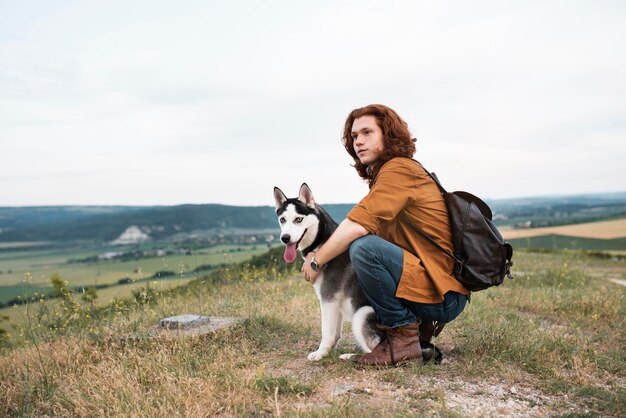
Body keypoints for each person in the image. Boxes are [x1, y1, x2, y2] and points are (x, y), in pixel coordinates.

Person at [302, 104, 469, 366]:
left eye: (367, 132)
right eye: (354, 136)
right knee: (362, 247)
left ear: (388, 134)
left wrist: (317, 260)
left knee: (364, 248)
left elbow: (356, 226)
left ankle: (402, 339)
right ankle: (415, 335)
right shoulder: (386, 175)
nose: (358, 141)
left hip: (443, 297)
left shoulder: (399, 170)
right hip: (434, 292)